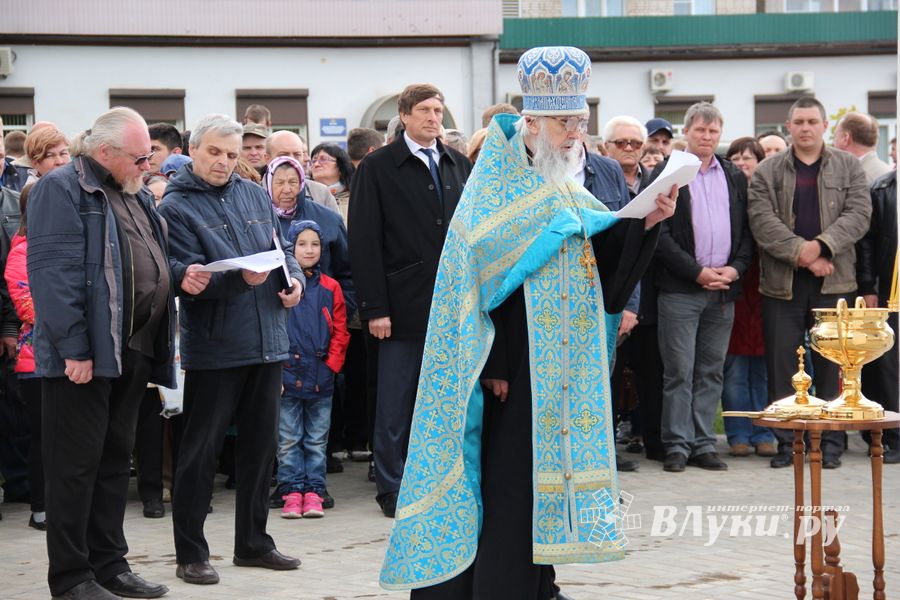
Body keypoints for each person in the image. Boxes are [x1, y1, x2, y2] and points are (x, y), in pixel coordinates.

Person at [379, 46, 674, 598]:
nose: (575, 135)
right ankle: (500, 586)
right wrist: (494, 363)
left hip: (563, 365)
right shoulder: (493, 187)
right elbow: (475, 287)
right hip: (510, 368)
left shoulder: (565, 186)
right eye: (566, 123)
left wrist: (648, 220)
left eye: (580, 123)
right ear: (532, 122)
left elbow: (605, 265)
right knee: (511, 483)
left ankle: (539, 583)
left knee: (545, 485)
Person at [27, 107, 181, 600]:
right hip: (84, 357)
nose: (147, 166)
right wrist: (74, 347)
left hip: (130, 350)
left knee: (114, 462)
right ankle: (72, 577)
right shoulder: (62, 189)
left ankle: (110, 566)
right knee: (75, 469)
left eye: (149, 157)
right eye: (139, 157)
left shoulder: (131, 190)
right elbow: (53, 274)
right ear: (106, 151)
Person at [159, 114, 304, 586]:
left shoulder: (252, 193)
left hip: (268, 340)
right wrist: (238, 280)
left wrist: (294, 281)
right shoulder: (175, 206)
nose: (224, 161)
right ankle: (191, 553)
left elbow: (279, 248)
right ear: (193, 151)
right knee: (200, 454)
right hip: (216, 345)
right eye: (215, 152)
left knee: (261, 451)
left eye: (231, 154)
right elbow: (187, 277)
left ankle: (254, 544)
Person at [349, 83, 472, 519]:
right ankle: (392, 485)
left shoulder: (458, 163)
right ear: (404, 115)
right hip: (400, 304)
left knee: (443, 397)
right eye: (424, 110)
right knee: (395, 401)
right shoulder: (378, 166)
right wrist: (375, 308)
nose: (433, 118)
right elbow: (364, 239)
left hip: (452, 304)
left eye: (438, 110)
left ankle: (438, 480)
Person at [748, 97, 871, 469]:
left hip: (835, 283)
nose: (805, 128)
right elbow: (761, 220)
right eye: (798, 121)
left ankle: (831, 444)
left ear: (824, 126)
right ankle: (790, 444)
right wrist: (802, 253)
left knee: (833, 367)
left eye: (812, 121)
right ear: (788, 126)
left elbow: (859, 214)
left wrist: (822, 247)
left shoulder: (848, 166)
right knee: (783, 367)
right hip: (782, 284)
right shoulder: (767, 170)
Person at [653, 102, 753, 474]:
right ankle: (677, 445)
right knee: (679, 371)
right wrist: (696, 272)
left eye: (713, 131)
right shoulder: (669, 171)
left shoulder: (733, 175)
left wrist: (735, 269)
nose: (707, 136)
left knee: (711, 371)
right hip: (681, 289)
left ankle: (703, 444)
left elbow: (746, 232)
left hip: (723, 290)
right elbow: (659, 234)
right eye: (700, 130)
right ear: (687, 132)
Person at [278, 220, 350, 519]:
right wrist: (277, 370)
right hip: (287, 376)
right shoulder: (282, 285)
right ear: (290, 248)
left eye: (315, 244)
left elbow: (341, 331)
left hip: (321, 377)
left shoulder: (331, 287)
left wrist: (332, 365)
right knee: (288, 440)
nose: (309, 250)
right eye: (302, 244)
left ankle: (315, 491)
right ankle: (291, 491)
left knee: (317, 440)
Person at [721, 137, 776, 458]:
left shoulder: (769, 193)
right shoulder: (727, 193)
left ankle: (764, 432)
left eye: (748, 157)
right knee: (735, 371)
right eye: (735, 158)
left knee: (764, 370)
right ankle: (738, 433)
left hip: (767, 289)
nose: (742, 163)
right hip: (735, 287)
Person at [4, 183, 45, 530]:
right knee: (42, 437)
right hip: (36, 359)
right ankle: (41, 507)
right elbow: (26, 306)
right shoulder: (21, 252)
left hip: (72, 356)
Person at [857, 170, 900, 464]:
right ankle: (893, 436)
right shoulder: (882, 188)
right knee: (889, 366)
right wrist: (868, 287)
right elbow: (867, 243)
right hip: (889, 289)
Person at [265, 130, 340, 214]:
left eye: (297, 155)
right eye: (284, 155)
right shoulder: (254, 194)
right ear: (267, 159)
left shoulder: (321, 193)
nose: (292, 160)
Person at [833, 112, 892, 185]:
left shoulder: (858, 180)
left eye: (835, 136)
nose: (833, 143)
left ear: (845, 138)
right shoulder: (887, 171)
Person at [603, 116, 650, 197]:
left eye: (636, 143)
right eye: (621, 143)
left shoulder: (655, 180)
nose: (629, 148)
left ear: (643, 148)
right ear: (607, 146)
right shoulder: (595, 180)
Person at [309, 143, 354, 224]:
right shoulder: (306, 199)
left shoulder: (356, 199)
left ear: (341, 166)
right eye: (313, 161)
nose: (316, 164)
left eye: (323, 159)